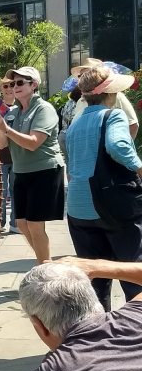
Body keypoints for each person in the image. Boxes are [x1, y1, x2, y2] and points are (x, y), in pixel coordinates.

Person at [65, 65, 142, 311]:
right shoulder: (113, 115)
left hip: (78, 210)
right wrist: (139, 167)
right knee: (133, 273)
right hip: (112, 206)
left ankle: (97, 337)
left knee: (95, 281)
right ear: (111, 93)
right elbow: (118, 146)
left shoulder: (76, 124)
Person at [0, 66, 64, 262]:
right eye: (12, 83)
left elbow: (33, 143)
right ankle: (45, 262)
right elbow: (2, 143)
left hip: (44, 171)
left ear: (34, 85)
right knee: (21, 224)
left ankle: (46, 268)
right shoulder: (14, 112)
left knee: (35, 224)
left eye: (20, 82)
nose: (15, 86)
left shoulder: (44, 109)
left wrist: (6, 128)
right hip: (22, 172)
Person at [71, 58, 139, 139]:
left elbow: (133, 124)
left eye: (88, 74)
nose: (83, 78)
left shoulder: (115, 96)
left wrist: (125, 147)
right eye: (80, 76)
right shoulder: (80, 102)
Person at [0, 76, 18, 233]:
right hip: (2, 156)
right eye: (6, 86)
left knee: (17, 190)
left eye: (13, 84)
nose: (10, 88)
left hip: (19, 156)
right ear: (1, 89)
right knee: (2, 192)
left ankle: (16, 223)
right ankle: (0, 223)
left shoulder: (23, 108)